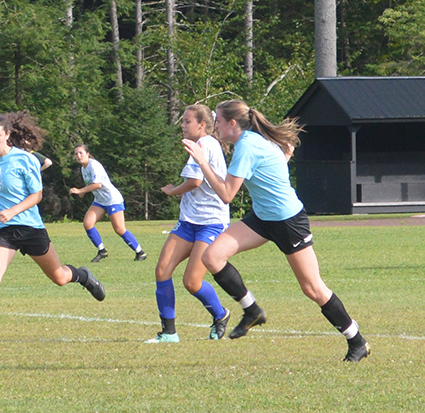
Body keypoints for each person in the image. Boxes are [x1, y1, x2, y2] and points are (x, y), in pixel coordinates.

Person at [184, 99, 370, 362]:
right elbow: (278, 159)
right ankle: (252, 311)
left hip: (287, 221)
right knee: (212, 257)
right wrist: (283, 157)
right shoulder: (250, 141)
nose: (216, 127)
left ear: (233, 124)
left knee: (313, 288)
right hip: (263, 219)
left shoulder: (247, 146)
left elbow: (226, 194)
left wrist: (203, 162)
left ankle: (357, 340)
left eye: (219, 122)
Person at [0, 113, 106, 344]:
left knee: (59, 277)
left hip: (29, 227)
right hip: (0, 229)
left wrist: (12, 211)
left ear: (7, 135)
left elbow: (36, 196)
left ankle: (83, 275)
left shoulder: (25, 159)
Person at [147, 105, 231, 343]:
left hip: (211, 223)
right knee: (162, 270)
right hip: (188, 221)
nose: (182, 125)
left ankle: (221, 314)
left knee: (192, 282)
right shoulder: (202, 144)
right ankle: (169, 332)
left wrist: (174, 191)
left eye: (186, 121)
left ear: (201, 125)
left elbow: (195, 181)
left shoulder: (204, 144)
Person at [70, 144, 147, 262]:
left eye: (80, 153)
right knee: (88, 223)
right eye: (76, 154)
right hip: (100, 201)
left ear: (87, 153)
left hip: (112, 200)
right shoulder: (83, 168)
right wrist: (84, 191)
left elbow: (98, 184)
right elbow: (92, 184)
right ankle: (102, 251)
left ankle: (140, 252)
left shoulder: (94, 165)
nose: (78, 156)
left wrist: (80, 190)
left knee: (119, 229)